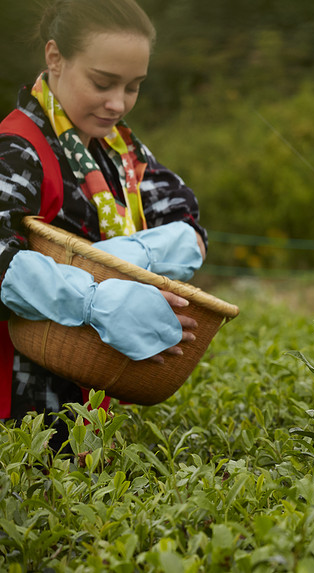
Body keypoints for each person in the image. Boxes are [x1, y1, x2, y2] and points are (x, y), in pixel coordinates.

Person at [0, 0, 206, 449]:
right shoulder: (19, 149)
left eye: (133, 87)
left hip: (93, 393)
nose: (118, 104)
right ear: (56, 58)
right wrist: (93, 297)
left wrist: (131, 257)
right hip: (23, 399)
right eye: (102, 82)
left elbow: (185, 219)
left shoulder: (120, 153)